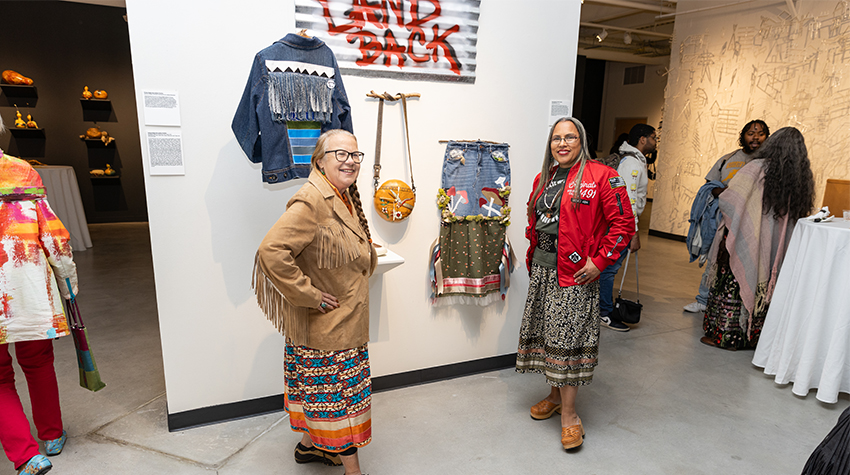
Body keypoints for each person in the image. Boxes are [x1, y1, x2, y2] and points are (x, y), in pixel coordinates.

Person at [254, 129, 376, 475]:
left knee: (322, 398)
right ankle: (353, 471)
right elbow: (271, 251)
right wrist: (308, 295)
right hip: (328, 332)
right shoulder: (311, 200)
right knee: (343, 404)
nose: (351, 161)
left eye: (355, 155)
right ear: (319, 161)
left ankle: (308, 447)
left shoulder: (343, 195)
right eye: (341, 154)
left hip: (342, 324)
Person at [516, 117, 635, 450]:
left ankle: (570, 416)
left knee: (568, 346)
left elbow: (623, 224)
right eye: (557, 138)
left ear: (582, 140)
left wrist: (599, 262)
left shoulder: (603, 176)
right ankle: (553, 397)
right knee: (550, 340)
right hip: (542, 270)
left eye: (570, 137)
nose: (562, 144)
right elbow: (536, 222)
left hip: (574, 276)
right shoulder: (545, 177)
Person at [0, 114, 77, 474]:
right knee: (38, 361)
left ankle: (27, 455)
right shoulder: (21, 172)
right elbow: (54, 236)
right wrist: (68, 284)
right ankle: (51, 434)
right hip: (26, 288)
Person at [701, 126, 814, 350]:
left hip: (745, 237)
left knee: (734, 282)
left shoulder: (756, 167)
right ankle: (755, 336)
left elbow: (730, 200)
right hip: (773, 246)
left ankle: (728, 336)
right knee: (762, 285)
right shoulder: (801, 179)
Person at [683, 120, 769, 313]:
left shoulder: (768, 163)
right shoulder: (727, 159)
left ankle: (740, 305)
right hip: (721, 220)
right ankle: (703, 300)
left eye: (761, 133)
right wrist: (724, 193)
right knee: (715, 259)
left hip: (751, 222)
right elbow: (709, 186)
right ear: (743, 135)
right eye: (751, 133)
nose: (755, 137)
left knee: (746, 262)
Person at [598, 123, 656, 332]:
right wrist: (633, 232)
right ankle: (604, 312)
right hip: (620, 226)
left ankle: (603, 308)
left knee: (607, 268)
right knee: (608, 269)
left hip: (620, 224)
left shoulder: (635, 161)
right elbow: (628, 201)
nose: (655, 142)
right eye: (653, 137)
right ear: (642, 139)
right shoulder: (632, 163)